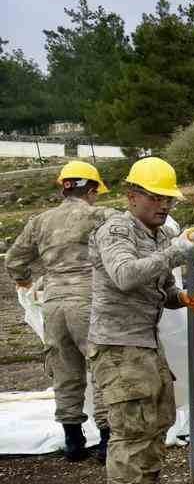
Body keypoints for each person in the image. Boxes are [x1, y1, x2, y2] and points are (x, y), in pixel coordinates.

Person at [88, 157, 194, 484]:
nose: (164, 206)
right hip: (117, 344)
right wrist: (179, 252)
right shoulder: (116, 231)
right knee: (130, 426)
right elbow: (125, 276)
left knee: (160, 417)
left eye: (168, 200)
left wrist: (181, 297)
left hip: (144, 341)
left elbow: (157, 288)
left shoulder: (157, 235)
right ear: (131, 197)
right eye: (156, 198)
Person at [6, 161, 118, 461]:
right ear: (92, 190)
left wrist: (25, 281)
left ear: (63, 186)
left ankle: (73, 441)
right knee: (101, 367)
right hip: (88, 298)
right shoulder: (101, 215)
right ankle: (107, 440)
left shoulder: (39, 221)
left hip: (53, 303)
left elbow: (15, 261)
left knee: (65, 369)